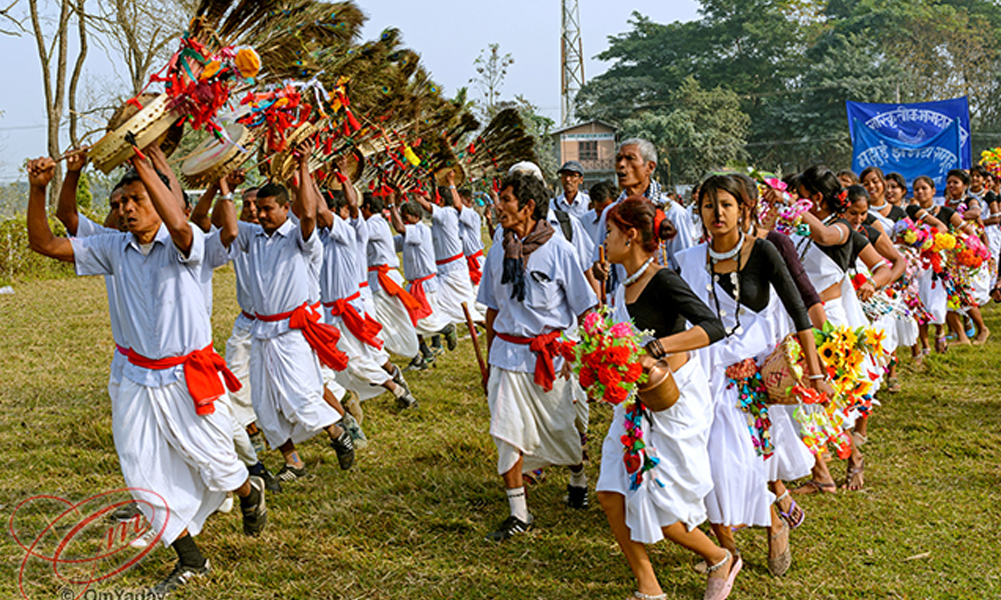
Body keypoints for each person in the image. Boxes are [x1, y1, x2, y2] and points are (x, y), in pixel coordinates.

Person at [26, 152, 267, 596]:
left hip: (188, 377)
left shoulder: (186, 242)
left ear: (160, 201)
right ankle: (191, 560)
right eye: (120, 203)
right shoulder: (113, 248)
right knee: (140, 469)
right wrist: (39, 188)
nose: (125, 209)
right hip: (137, 377)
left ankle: (248, 491)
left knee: (215, 461)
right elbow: (45, 243)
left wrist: (147, 164)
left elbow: (183, 224)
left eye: (136, 199)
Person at [680, 175, 830, 578]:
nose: (717, 214)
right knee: (709, 464)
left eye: (726, 205)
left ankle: (774, 523)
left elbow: (798, 310)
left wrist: (816, 372)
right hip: (705, 375)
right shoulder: (690, 260)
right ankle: (726, 550)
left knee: (747, 463)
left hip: (753, 378)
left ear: (744, 208)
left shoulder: (763, 251)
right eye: (708, 206)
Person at [596, 197, 740, 600]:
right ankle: (649, 586)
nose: (605, 241)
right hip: (633, 403)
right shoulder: (622, 283)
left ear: (630, 235)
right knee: (611, 494)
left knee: (662, 506)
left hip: (670, 402)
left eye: (610, 232)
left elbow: (713, 326)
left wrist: (657, 349)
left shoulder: (663, 280)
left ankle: (718, 557)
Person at [478, 170, 597, 541]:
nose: (498, 207)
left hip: (550, 359)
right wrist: (489, 361)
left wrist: (594, 357)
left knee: (563, 429)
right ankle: (519, 513)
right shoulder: (497, 251)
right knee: (506, 433)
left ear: (528, 207)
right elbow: (492, 309)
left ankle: (578, 478)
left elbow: (585, 307)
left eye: (506, 200)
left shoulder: (559, 250)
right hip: (506, 357)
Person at [236, 149, 355, 483]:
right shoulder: (253, 236)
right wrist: (222, 186)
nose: (259, 214)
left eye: (267, 209)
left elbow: (309, 215)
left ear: (285, 208)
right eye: (257, 209)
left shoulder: (300, 237)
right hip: (261, 332)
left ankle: (337, 432)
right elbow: (221, 224)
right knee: (262, 402)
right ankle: (293, 462)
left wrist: (303, 167)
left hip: (292, 332)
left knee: (302, 396)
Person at [315, 163, 417, 411]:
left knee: (357, 356)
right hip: (331, 309)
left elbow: (350, 206)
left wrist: (344, 178)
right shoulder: (319, 236)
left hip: (352, 305)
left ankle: (395, 388)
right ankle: (392, 379)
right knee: (361, 353)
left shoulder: (353, 230)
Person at [388, 199, 456, 371]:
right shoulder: (408, 233)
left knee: (422, 322)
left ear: (416, 216)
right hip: (414, 286)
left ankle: (445, 329)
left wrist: (391, 206)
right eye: (402, 218)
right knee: (409, 322)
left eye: (406, 218)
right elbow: (390, 243)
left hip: (425, 286)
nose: (404, 221)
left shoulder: (421, 230)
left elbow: (399, 228)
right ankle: (424, 354)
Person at [410, 171, 483, 328]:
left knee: (468, 310)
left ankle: (489, 330)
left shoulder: (448, 213)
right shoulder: (442, 215)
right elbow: (434, 206)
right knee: (457, 310)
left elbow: (433, 207)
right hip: (445, 270)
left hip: (454, 271)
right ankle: (446, 330)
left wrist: (419, 199)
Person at [363, 190, 424, 359]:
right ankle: (419, 353)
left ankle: (414, 354)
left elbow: (355, 235)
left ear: (367, 207)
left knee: (387, 318)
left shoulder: (374, 224)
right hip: (380, 278)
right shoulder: (378, 222)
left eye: (361, 209)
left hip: (383, 280)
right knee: (393, 318)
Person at [582, 180, 617, 245]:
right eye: (599, 211)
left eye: (607, 209)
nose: (604, 214)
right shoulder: (586, 220)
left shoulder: (624, 219)